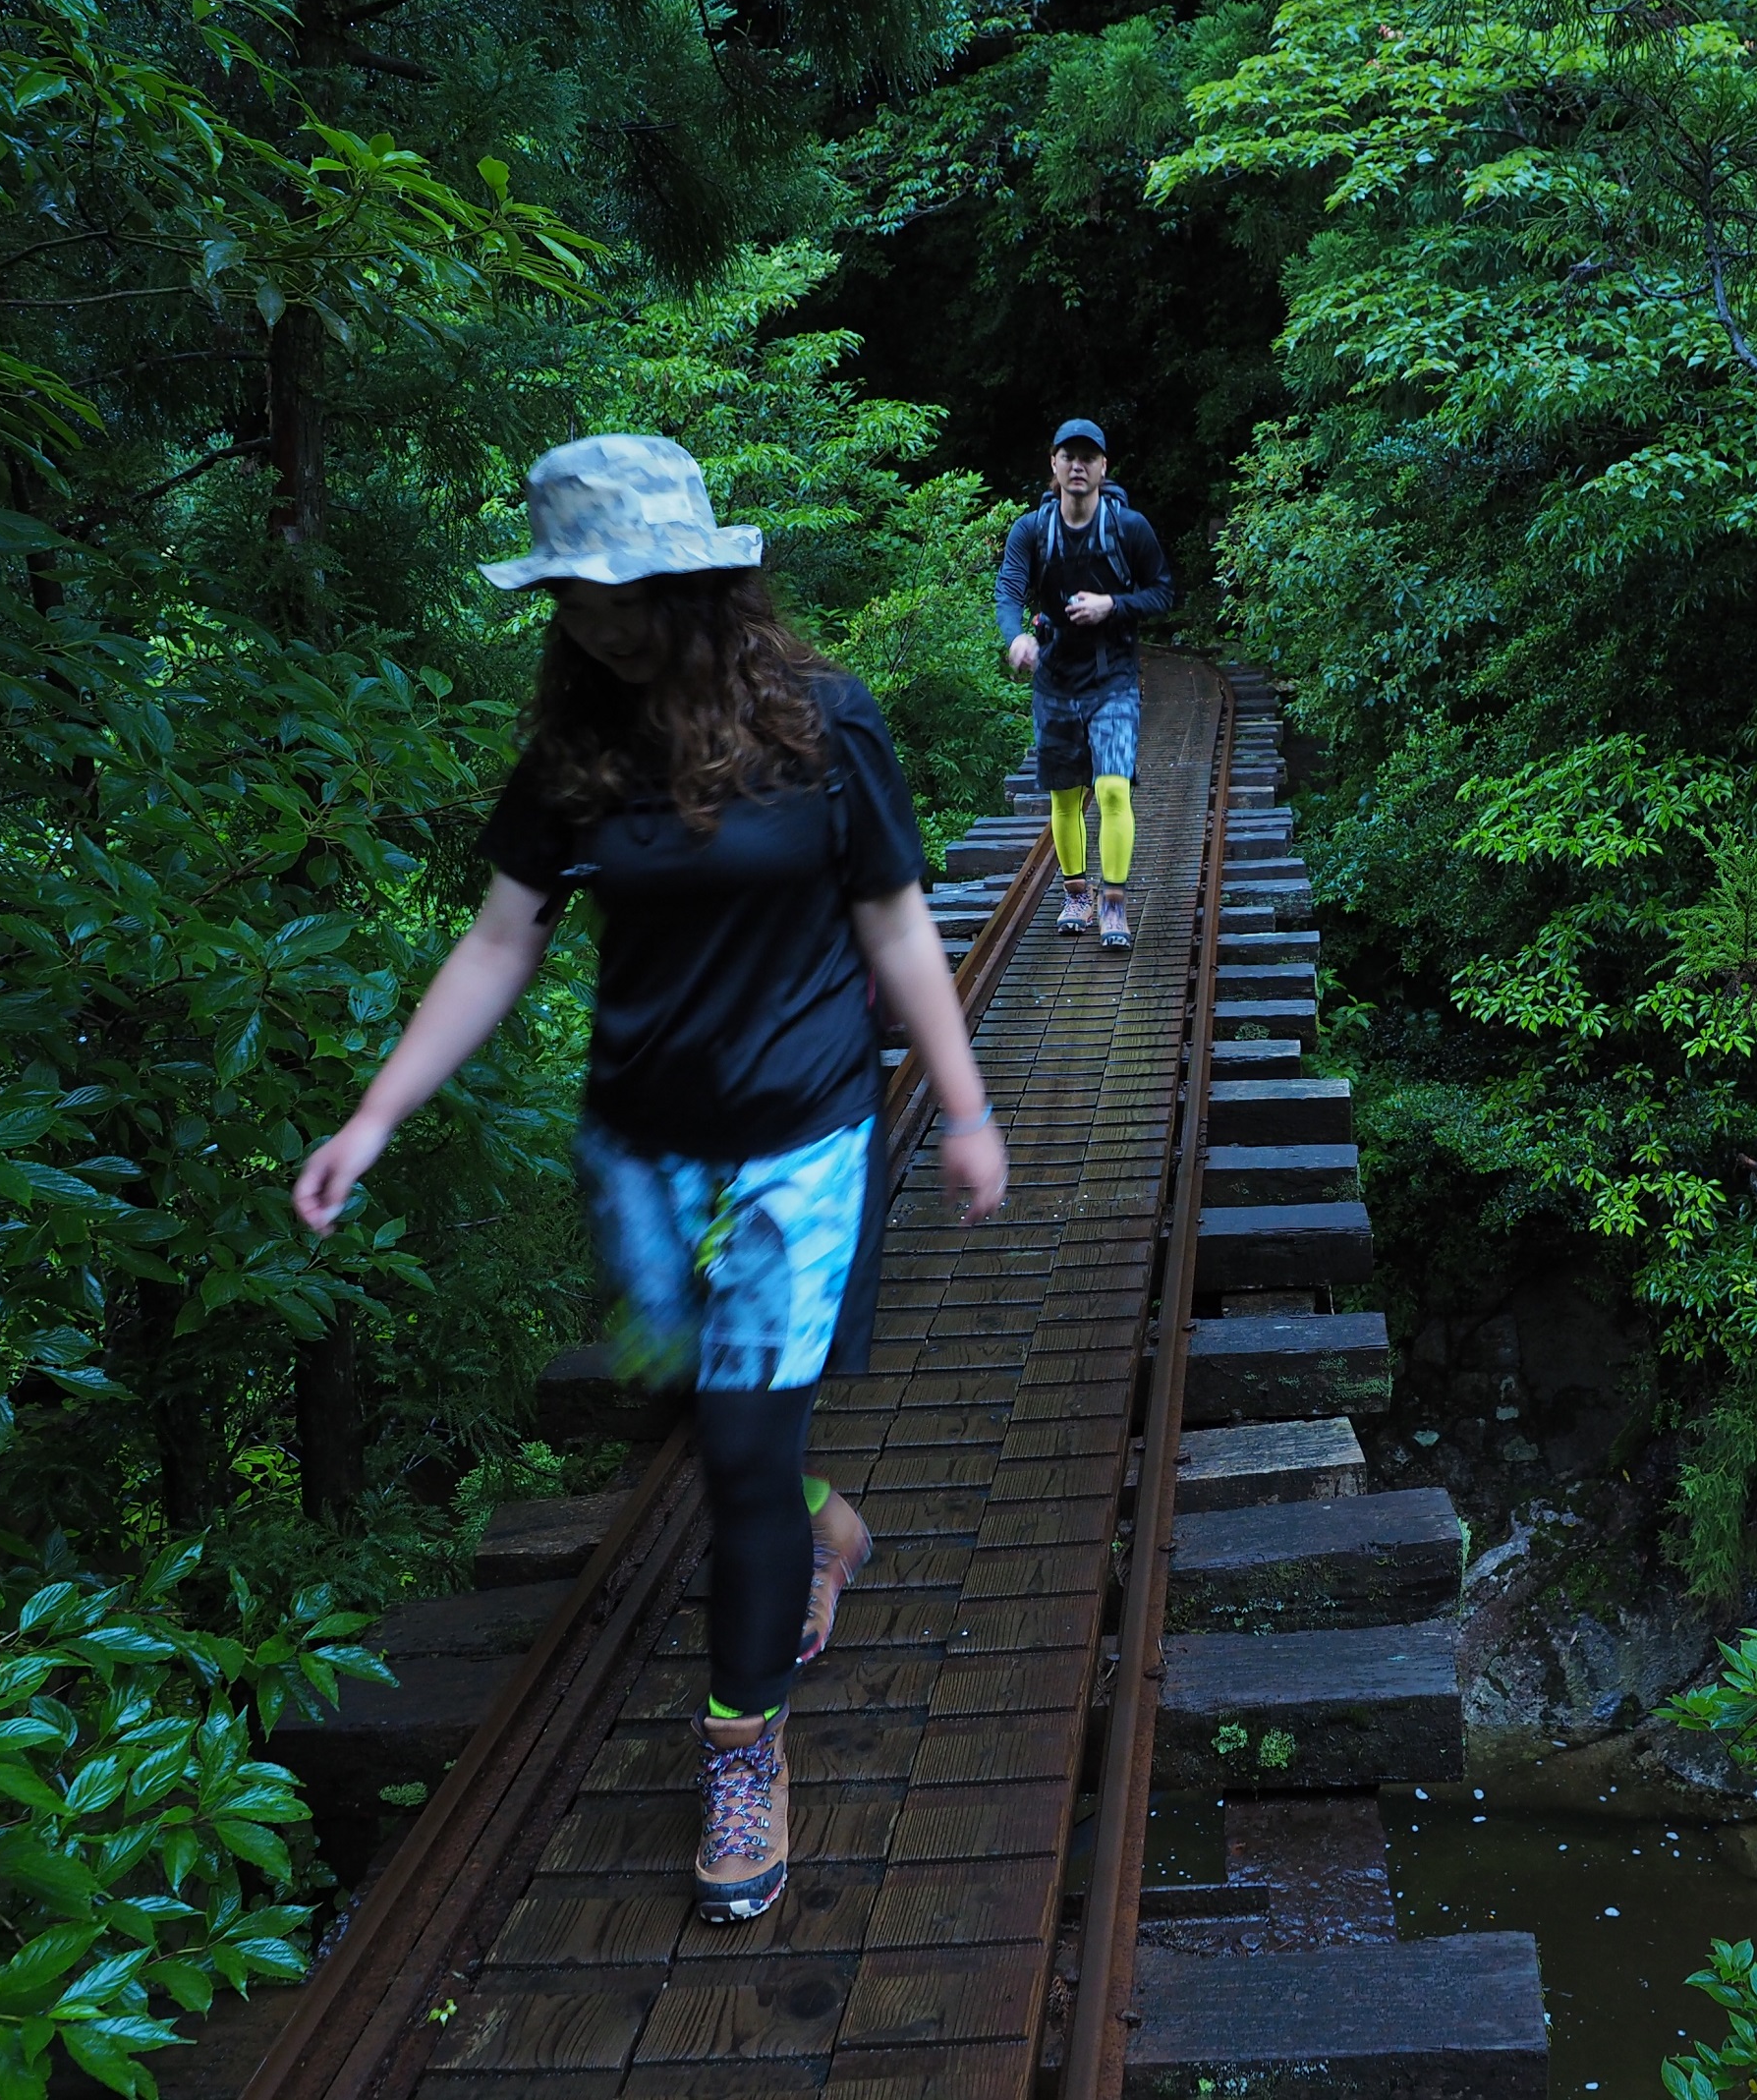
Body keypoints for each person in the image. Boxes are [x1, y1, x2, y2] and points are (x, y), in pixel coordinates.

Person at [293, 434, 1007, 1923]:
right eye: (574, 592)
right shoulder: (576, 753)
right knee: (689, 1410)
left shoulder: (825, 722)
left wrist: (962, 1105)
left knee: (738, 1455)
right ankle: (822, 1519)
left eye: (621, 588)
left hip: (801, 1142)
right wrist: (373, 1117)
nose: (598, 617)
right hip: (638, 1148)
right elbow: (501, 941)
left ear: (695, 579)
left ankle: (744, 1750)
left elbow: (893, 923)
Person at [995, 418, 1173, 951]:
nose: (1078, 466)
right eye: (1068, 456)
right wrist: (1015, 636)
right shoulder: (1032, 530)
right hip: (1054, 679)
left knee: (1112, 787)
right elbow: (1009, 589)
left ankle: (1113, 902)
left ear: (1102, 467)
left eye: (1088, 457)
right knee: (1065, 794)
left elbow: (1162, 593)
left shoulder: (1129, 528)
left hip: (1112, 676)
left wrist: (1112, 604)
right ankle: (1078, 894)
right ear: (1053, 463)